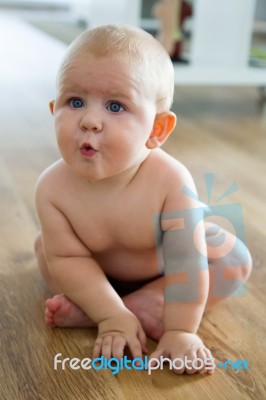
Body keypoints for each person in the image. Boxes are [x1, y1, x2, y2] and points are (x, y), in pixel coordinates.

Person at [34, 24, 252, 375]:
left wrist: (181, 329)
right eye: (75, 102)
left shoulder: (170, 181)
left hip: (165, 271)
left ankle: (139, 303)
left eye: (115, 107)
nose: (90, 121)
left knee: (234, 258)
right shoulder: (52, 188)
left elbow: (185, 261)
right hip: (95, 273)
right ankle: (109, 307)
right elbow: (69, 258)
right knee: (47, 252)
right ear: (53, 110)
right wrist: (110, 314)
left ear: (157, 130)